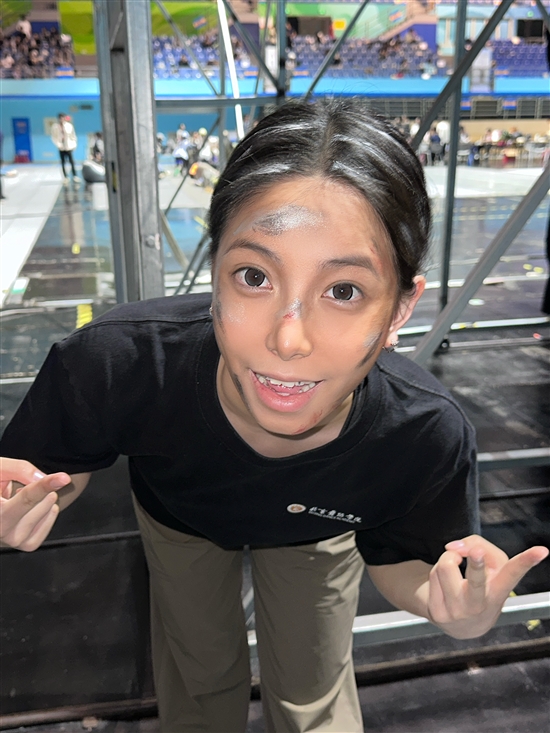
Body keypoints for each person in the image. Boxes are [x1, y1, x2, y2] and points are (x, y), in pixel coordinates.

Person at [0, 99, 547, 733]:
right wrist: (22, 502)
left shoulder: (422, 433)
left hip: (315, 531)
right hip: (182, 516)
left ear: (399, 309)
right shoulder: (119, 361)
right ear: (214, 272)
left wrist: (445, 604)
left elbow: (405, 561)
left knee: (312, 688)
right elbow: (50, 472)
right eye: (254, 276)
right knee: (199, 674)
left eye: (343, 291)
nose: (289, 340)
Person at [50, 112, 80, 184]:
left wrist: (74, 144)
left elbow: (73, 136)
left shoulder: (69, 126)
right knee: (63, 162)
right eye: (60, 118)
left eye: (63, 118)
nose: (62, 119)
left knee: (72, 162)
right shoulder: (55, 127)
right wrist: (58, 144)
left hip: (69, 147)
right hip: (61, 147)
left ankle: (75, 176)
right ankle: (65, 177)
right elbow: (54, 137)